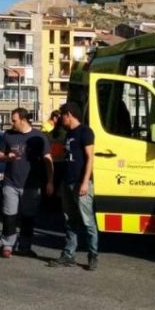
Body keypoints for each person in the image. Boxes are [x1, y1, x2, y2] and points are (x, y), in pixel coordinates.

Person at [0, 107, 54, 258]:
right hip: (11, 183)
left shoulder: (39, 136)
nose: (11, 123)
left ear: (23, 119)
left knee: (28, 217)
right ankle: (7, 245)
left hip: (31, 185)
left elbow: (48, 160)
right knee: (9, 215)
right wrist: (7, 157)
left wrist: (50, 181)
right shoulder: (8, 135)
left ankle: (25, 246)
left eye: (14, 120)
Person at [48, 102, 98, 271]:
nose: (61, 118)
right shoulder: (69, 133)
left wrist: (85, 182)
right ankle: (68, 254)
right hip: (67, 182)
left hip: (80, 183)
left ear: (69, 114)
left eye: (62, 115)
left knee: (88, 221)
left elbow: (90, 158)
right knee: (70, 220)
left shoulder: (85, 132)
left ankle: (93, 255)